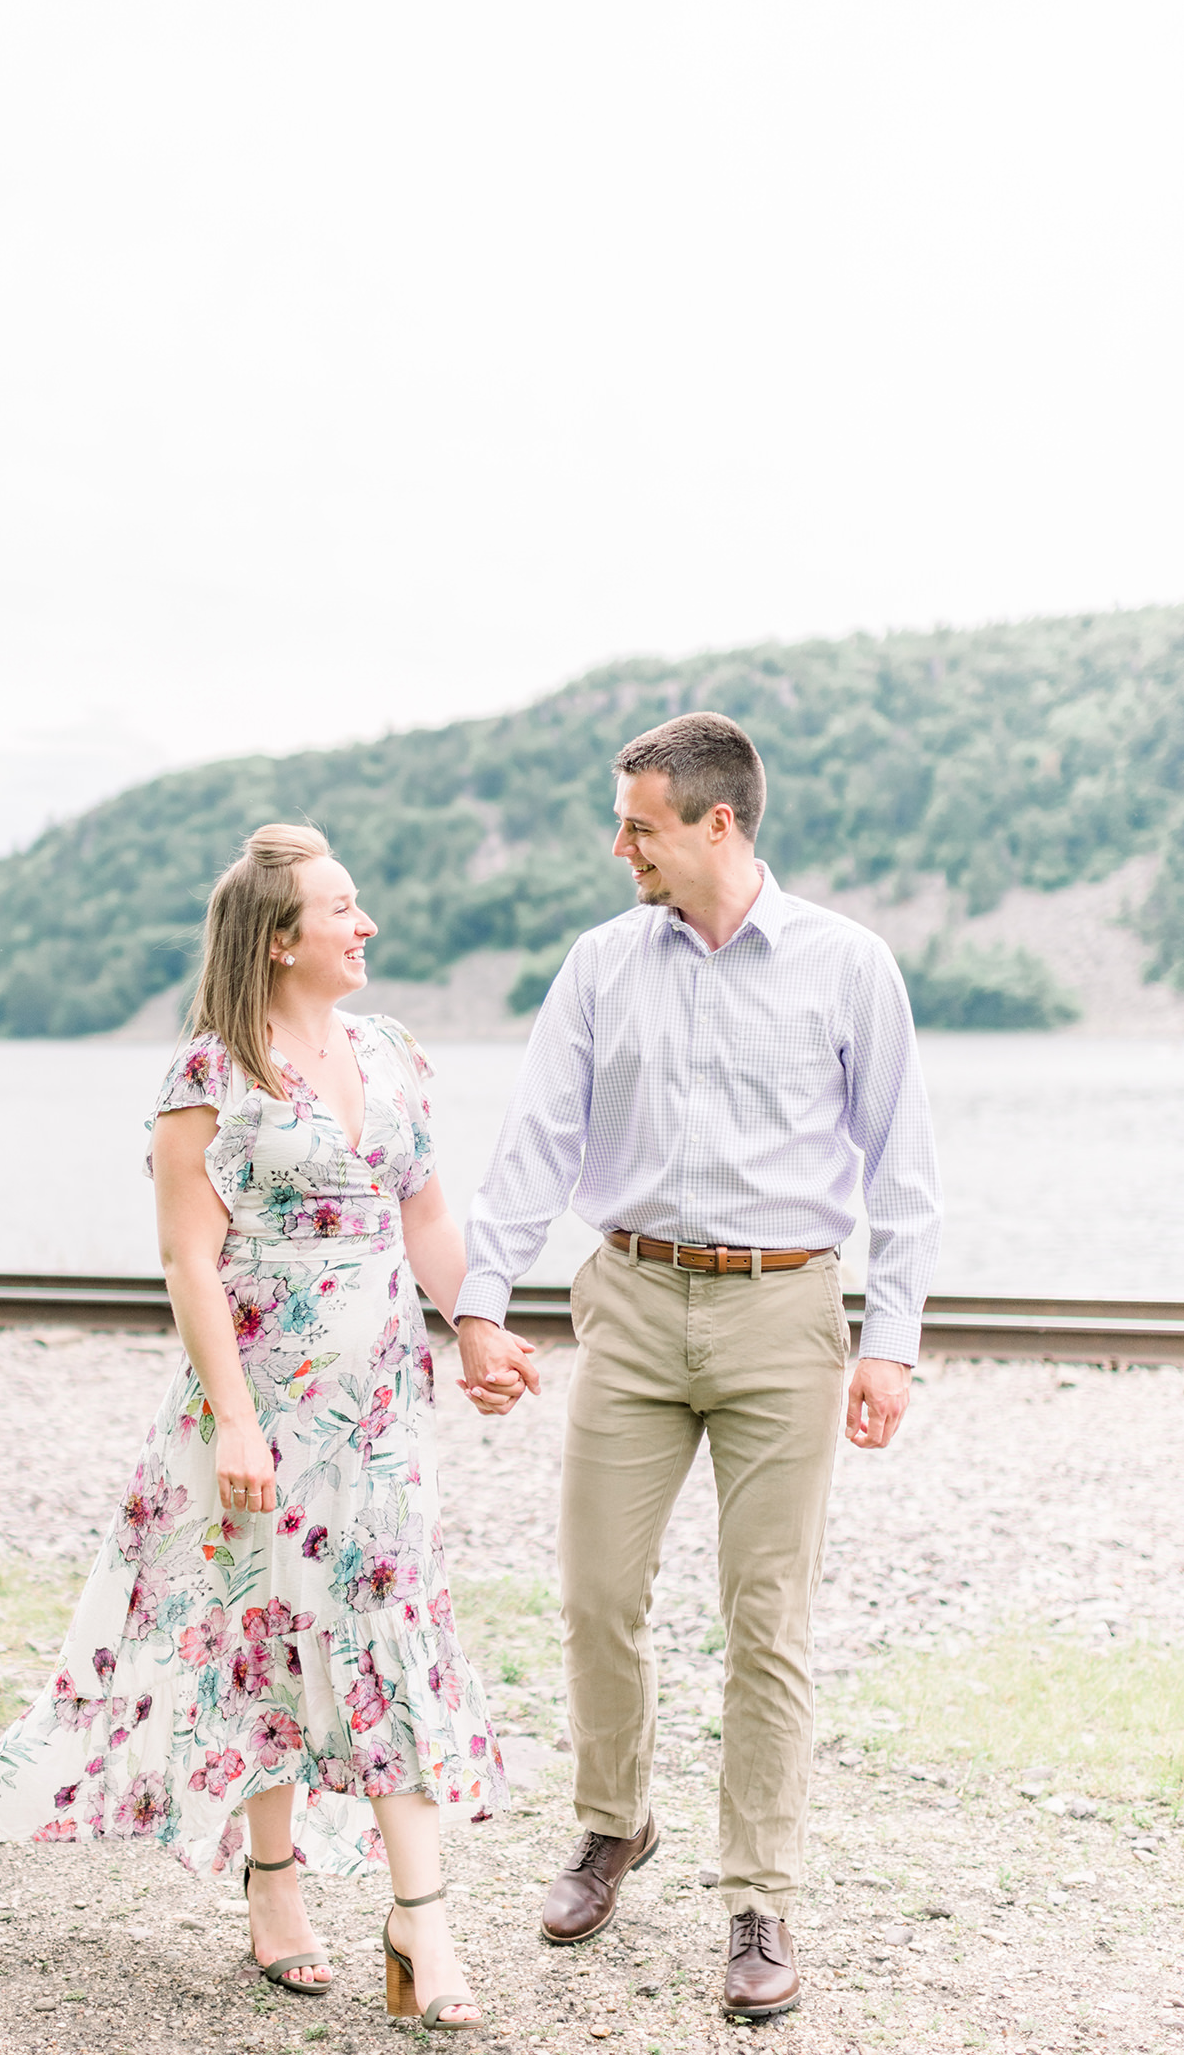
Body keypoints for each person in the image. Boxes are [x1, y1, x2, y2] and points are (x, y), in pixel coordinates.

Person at [0, 823, 532, 2034]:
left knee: (389, 1627)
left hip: (382, 1411)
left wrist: (477, 1324)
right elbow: (188, 1257)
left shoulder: (392, 1056)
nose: (366, 923)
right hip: (259, 1411)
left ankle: (418, 1913)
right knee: (265, 1635)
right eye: (343, 908)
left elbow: (427, 1218)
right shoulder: (208, 1075)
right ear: (282, 941)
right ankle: (273, 1888)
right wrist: (233, 1420)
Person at [452, 714, 942, 2022]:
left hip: (784, 1314)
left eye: (640, 827)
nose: (621, 848)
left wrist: (887, 1342)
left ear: (716, 823)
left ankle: (758, 1897)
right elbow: (536, 1140)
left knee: (764, 1618)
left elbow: (901, 1168)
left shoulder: (847, 966)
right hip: (628, 1299)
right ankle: (614, 1823)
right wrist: (479, 1305)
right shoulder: (601, 965)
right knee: (597, 1593)